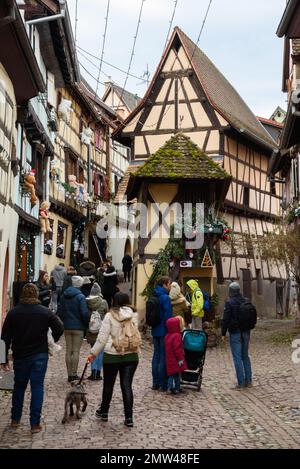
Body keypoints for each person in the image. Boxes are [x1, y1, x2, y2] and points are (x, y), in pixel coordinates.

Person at [0, 283, 63, 433]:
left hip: (20, 354)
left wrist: (3, 359)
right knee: (37, 386)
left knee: (19, 386)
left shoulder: (14, 313)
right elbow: (59, 327)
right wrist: (51, 340)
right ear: (36, 295)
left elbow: (4, 338)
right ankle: (34, 423)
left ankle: (15, 419)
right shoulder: (45, 312)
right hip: (39, 354)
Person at [88, 292, 140, 427]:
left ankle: (104, 412)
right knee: (127, 386)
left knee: (108, 385)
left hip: (112, 356)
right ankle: (129, 418)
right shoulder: (134, 315)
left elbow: (102, 338)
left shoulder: (109, 316)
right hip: (131, 355)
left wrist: (93, 353)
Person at [221, 282, 253, 390]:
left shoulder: (229, 302)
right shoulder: (246, 300)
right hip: (246, 332)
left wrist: (223, 333)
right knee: (245, 356)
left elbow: (225, 319)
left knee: (237, 358)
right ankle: (248, 381)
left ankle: (240, 383)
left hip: (235, 332)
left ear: (230, 291)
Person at [58, 276, 89, 382]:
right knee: (75, 351)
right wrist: (86, 324)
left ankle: (69, 374)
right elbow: (84, 313)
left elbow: (60, 311)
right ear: (80, 284)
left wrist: (65, 321)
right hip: (78, 327)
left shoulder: (64, 295)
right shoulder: (81, 297)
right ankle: (73, 374)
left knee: (68, 351)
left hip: (67, 326)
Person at [151, 276, 173, 391]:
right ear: (164, 284)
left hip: (155, 330)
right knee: (163, 357)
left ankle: (155, 383)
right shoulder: (165, 297)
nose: (170, 286)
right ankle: (162, 383)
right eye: (169, 284)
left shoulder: (154, 295)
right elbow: (168, 317)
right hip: (164, 330)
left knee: (156, 356)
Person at [86, 282, 108, 381]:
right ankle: (98, 373)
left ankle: (93, 372)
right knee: (101, 352)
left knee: (93, 351)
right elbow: (107, 315)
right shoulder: (103, 302)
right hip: (102, 330)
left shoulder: (87, 302)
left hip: (91, 330)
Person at [165, 316, 187, 394]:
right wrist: (180, 359)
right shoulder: (177, 336)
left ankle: (169, 387)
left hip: (169, 359)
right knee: (177, 374)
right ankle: (176, 388)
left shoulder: (167, 336)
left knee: (171, 374)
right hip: (176, 360)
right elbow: (177, 349)